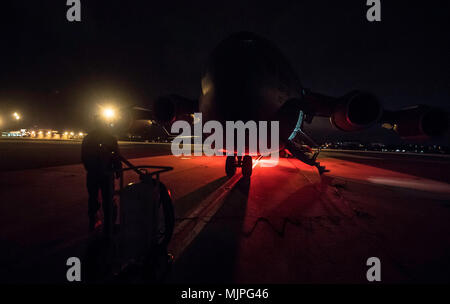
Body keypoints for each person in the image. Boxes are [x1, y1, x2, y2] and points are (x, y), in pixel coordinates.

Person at [81, 115, 122, 237]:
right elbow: (116, 156)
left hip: (93, 173)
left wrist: (90, 169)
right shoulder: (110, 138)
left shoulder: (88, 138)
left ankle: (94, 221)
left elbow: (84, 157)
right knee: (108, 200)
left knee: (93, 198)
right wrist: (118, 170)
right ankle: (110, 224)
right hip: (106, 174)